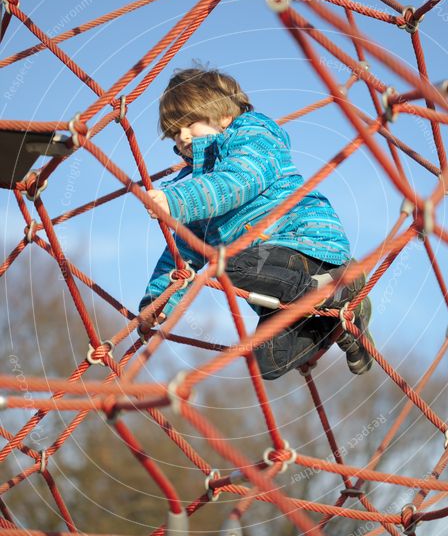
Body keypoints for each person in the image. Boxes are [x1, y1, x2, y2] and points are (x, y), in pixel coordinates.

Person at [138, 65, 373, 380]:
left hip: (305, 246)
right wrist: (158, 298)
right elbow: (183, 250)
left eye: (189, 124)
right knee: (269, 363)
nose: (182, 138)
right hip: (274, 284)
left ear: (223, 115)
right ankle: (343, 319)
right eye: (173, 133)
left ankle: (339, 285)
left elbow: (240, 180)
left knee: (229, 267)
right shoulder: (191, 180)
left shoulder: (252, 134)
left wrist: (177, 201)